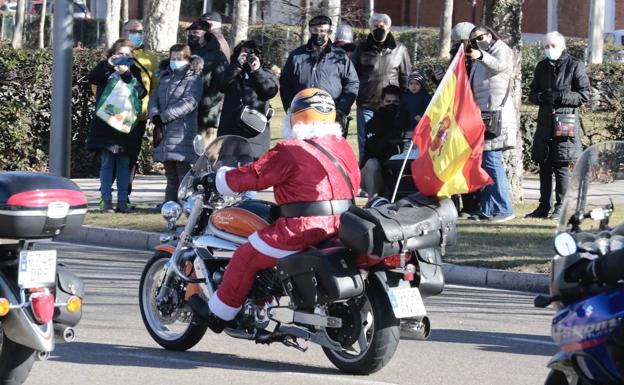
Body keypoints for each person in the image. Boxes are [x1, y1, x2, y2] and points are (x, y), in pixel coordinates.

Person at [189, 88, 361, 333]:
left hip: (302, 228)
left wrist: (218, 179)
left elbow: (254, 175)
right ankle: (261, 300)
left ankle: (219, 314)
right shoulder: (342, 146)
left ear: (297, 117)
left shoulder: (291, 149)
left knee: (245, 257)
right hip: (341, 224)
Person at [526, 31, 590, 220]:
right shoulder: (542, 66)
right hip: (545, 122)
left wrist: (560, 97)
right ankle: (543, 206)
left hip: (565, 123)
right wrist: (540, 97)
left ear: (562, 47)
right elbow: (532, 93)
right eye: (546, 46)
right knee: (544, 164)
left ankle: (560, 207)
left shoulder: (575, 65)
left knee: (561, 166)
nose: (549, 49)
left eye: (552, 46)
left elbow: (583, 95)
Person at [86, 38, 147, 213]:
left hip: (126, 125)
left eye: (127, 54)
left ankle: (122, 201)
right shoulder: (105, 69)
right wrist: (108, 64)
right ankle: (105, 200)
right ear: (113, 53)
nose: (123, 56)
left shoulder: (134, 71)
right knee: (106, 163)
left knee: (123, 163)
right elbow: (93, 78)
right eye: (119, 53)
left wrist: (127, 75)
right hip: (105, 124)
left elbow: (142, 92)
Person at [467, 25, 517, 223]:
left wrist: (480, 55)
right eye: (473, 40)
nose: (477, 42)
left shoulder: (500, 49)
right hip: (484, 114)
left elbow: (499, 66)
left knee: (492, 161)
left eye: (479, 37)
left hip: (496, 116)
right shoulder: (483, 54)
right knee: (485, 162)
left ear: (489, 35)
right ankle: (487, 209)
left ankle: (505, 207)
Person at [279, 15, 359, 136]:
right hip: (302, 120)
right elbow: (285, 83)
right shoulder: (296, 56)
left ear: (329, 32)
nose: (319, 34)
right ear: (310, 30)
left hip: (331, 118)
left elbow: (352, 83)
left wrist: (341, 110)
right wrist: (291, 108)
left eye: (323, 31)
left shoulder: (340, 56)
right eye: (315, 30)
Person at [149, 44, 204, 206]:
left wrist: (164, 117)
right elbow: (154, 98)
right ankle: (169, 204)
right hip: (165, 131)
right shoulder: (165, 77)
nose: (175, 61)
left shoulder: (194, 78)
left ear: (187, 59)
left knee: (183, 171)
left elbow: (189, 102)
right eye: (173, 58)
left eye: (179, 59)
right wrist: (155, 115)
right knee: (170, 173)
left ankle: (186, 204)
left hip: (182, 130)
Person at [117, 19, 159, 210]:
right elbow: (97, 83)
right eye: (132, 30)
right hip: (114, 116)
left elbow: (156, 87)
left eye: (140, 31)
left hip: (138, 116)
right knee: (111, 155)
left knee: (131, 156)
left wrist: (149, 108)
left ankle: (125, 195)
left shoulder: (149, 57)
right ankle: (106, 194)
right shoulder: (113, 54)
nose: (136, 34)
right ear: (124, 31)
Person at [216, 40, 279, 159]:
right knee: (227, 168)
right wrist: (237, 65)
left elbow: (270, 91)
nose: (248, 56)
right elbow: (221, 85)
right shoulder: (232, 71)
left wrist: (257, 70)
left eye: (252, 53)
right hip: (230, 130)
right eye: (244, 52)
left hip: (254, 134)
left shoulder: (266, 72)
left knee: (251, 169)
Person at [360, 85, 409, 200]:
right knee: (372, 163)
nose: (392, 105)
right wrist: (392, 135)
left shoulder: (406, 121)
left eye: (395, 102)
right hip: (377, 174)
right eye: (388, 101)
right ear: (382, 102)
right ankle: (372, 201)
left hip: (400, 173)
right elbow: (374, 149)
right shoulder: (372, 123)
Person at [186, 20, 229, 147]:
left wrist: (204, 103)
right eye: (190, 32)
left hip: (206, 116)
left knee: (205, 156)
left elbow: (221, 86)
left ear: (206, 34)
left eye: (196, 32)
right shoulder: (187, 54)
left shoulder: (217, 55)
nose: (192, 35)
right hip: (186, 114)